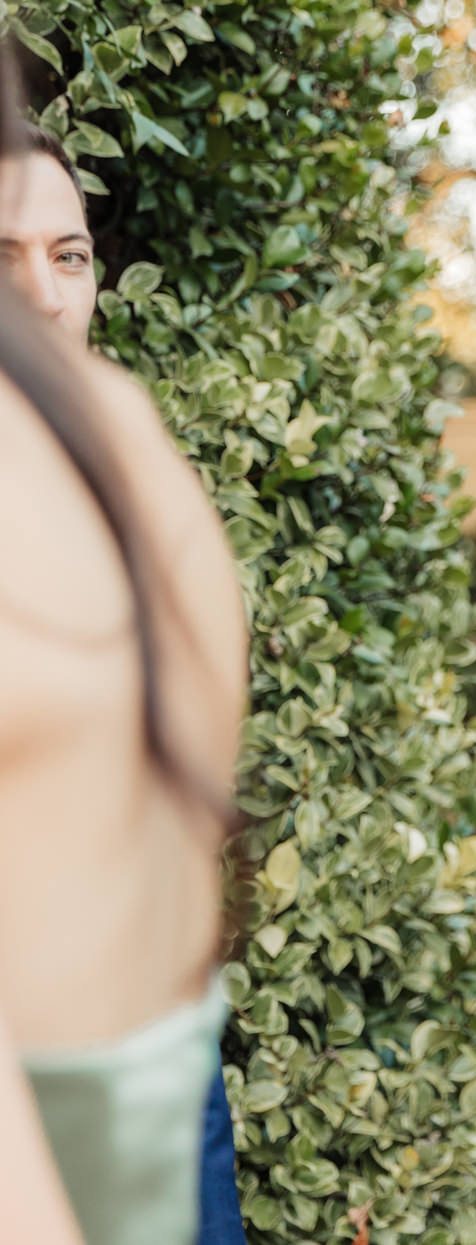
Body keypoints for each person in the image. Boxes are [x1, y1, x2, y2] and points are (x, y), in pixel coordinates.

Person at [0, 87, 249, 1241]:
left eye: (71, 255)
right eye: (3, 257)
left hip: (158, 1089)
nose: (47, 297)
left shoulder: (141, 466)